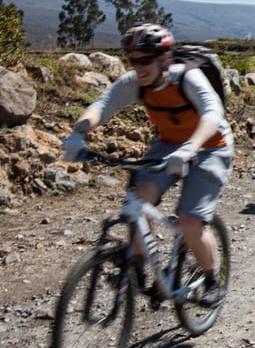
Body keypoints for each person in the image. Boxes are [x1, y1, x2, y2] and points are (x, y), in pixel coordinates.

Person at [60, 23, 232, 306]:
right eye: (132, 60)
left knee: (190, 221)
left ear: (164, 59)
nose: (137, 67)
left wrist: (191, 147)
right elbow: (102, 106)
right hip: (168, 145)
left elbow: (212, 112)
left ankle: (212, 280)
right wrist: (78, 133)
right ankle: (137, 266)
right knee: (140, 200)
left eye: (144, 60)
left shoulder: (187, 78)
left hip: (210, 146)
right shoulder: (135, 83)